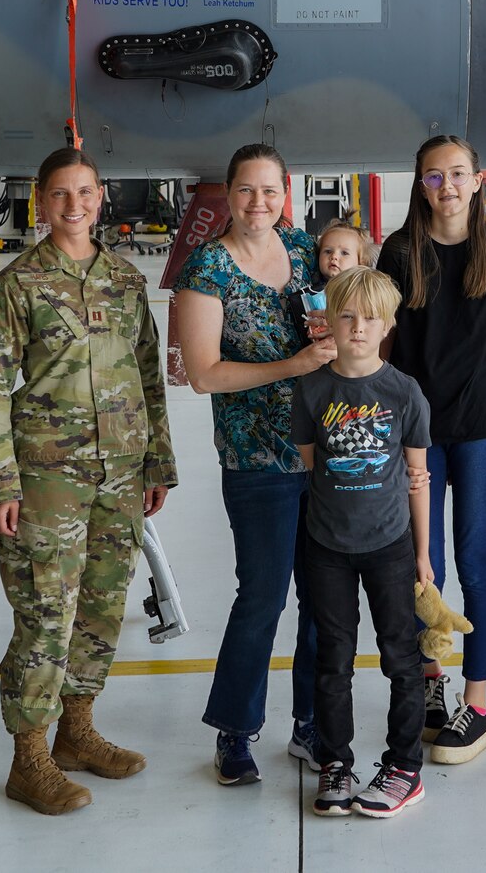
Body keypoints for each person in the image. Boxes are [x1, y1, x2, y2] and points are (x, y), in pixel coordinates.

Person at [0, 147, 177, 814]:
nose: (74, 204)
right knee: (44, 614)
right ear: (41, 199)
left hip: (120, 472)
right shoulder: (17, 285)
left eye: (85, 191)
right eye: (60, 193)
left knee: (101, 605)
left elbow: (149, 378)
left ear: (101, 196)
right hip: (46, 477)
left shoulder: (124, 279)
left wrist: (158, 462)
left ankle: (77, 733)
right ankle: (28, 758)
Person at [173, 144, 330, 785]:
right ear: (228, 195)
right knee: (262, 596)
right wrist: (291, 367)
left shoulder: (301, 249)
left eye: (270, 191)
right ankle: (236, 729)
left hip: (322, 451)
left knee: (323, 599)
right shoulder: (206, 269)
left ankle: (313, 722)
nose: (258, 203)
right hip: (256, 455)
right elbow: (205, 375)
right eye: (246, 191)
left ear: (285, 194)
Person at [376, 135, 486, 764]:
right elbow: (383, 347)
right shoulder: (398, 251)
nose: (447, 187)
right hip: (417, 431)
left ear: (478, 179)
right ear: (420, 184)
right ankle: (434, 689)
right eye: (434, 177)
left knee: (473, 558)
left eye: (457, 174)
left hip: (481, 427)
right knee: (422, 562)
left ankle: (480, 703)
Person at [291, 266, 433, 818]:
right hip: (327, 545)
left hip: (391, 546)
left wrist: (423, 555)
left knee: (402, 658)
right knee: (334, 660)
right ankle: (336, 762)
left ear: (387, 325)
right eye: (346, 315)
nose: (357, 327)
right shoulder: (312, 389)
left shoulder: (403, 393)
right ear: (328, 319)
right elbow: (312, 463)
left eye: (370, 318)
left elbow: (416, 477)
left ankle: (404, 767)